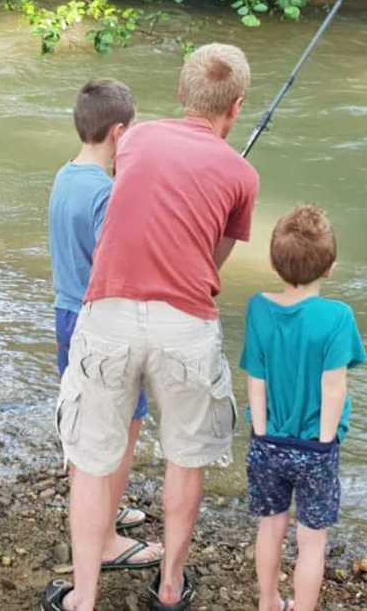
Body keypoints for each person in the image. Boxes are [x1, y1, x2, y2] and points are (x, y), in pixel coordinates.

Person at [44, 43, 260, 611]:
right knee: (184, 458)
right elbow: (210, 263)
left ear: (181, 94)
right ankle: (168, 589)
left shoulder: (135, 138)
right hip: (185, 323)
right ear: (236, 107)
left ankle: (83, 599)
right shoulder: (243, 175)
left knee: (92, 463)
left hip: (108, 311)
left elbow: (136, 204)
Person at [48, 79, 161, 575]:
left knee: (88, 429)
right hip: (102, 322)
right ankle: (108, 540)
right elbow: (114, 271)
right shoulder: (107, 194)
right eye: (132, 131)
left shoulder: (64, 176)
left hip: (67, 316)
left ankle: (102, 512)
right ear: (119, 132)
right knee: (121, 433)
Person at [241, 205, 366, 611]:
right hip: (316, 446)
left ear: (276, 264)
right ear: (329, 268)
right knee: (312, 542)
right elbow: (334, 388)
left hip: (267, 439)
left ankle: (268, 602)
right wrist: (325, 443)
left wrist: (260, 431)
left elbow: (255, 378)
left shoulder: (258, 308)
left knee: (270, 527)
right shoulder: (337, 317)